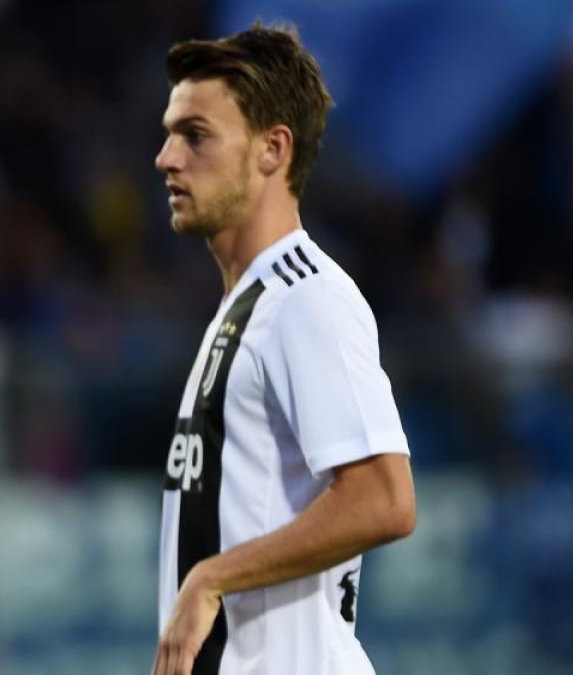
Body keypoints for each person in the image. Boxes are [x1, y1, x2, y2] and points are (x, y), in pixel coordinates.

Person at [150, 25, 417, 675]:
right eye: (169, 132)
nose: (166, 157)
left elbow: (385, 497)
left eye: (196, 135)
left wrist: (211, 577)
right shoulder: (246, 309)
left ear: (272, 149)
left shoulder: (307, 299)